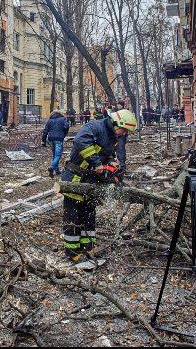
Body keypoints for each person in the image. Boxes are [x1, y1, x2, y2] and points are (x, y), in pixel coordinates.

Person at [59, 109, 137, 261]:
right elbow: (80, 141)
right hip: (75, 178)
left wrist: (110, 162)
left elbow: (104, 154)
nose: (123, 134)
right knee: (73, 217)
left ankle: (88, 247)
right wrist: (97, 163)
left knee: (89, 215)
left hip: (90, 180)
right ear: (117, 124)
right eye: (124, 130)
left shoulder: (111, 136)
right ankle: (73, 252)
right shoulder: (95, 127)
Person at [42, 109, 70, 178]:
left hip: (51, 138)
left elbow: (45, 131)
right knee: (58, 155)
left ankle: (57, 170)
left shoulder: (49, 120)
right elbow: (66, 127)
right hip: (59, 138)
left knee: (55, 154)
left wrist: (43, 141)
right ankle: (52, 167)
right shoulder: (63, 119)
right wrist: (64, 134)